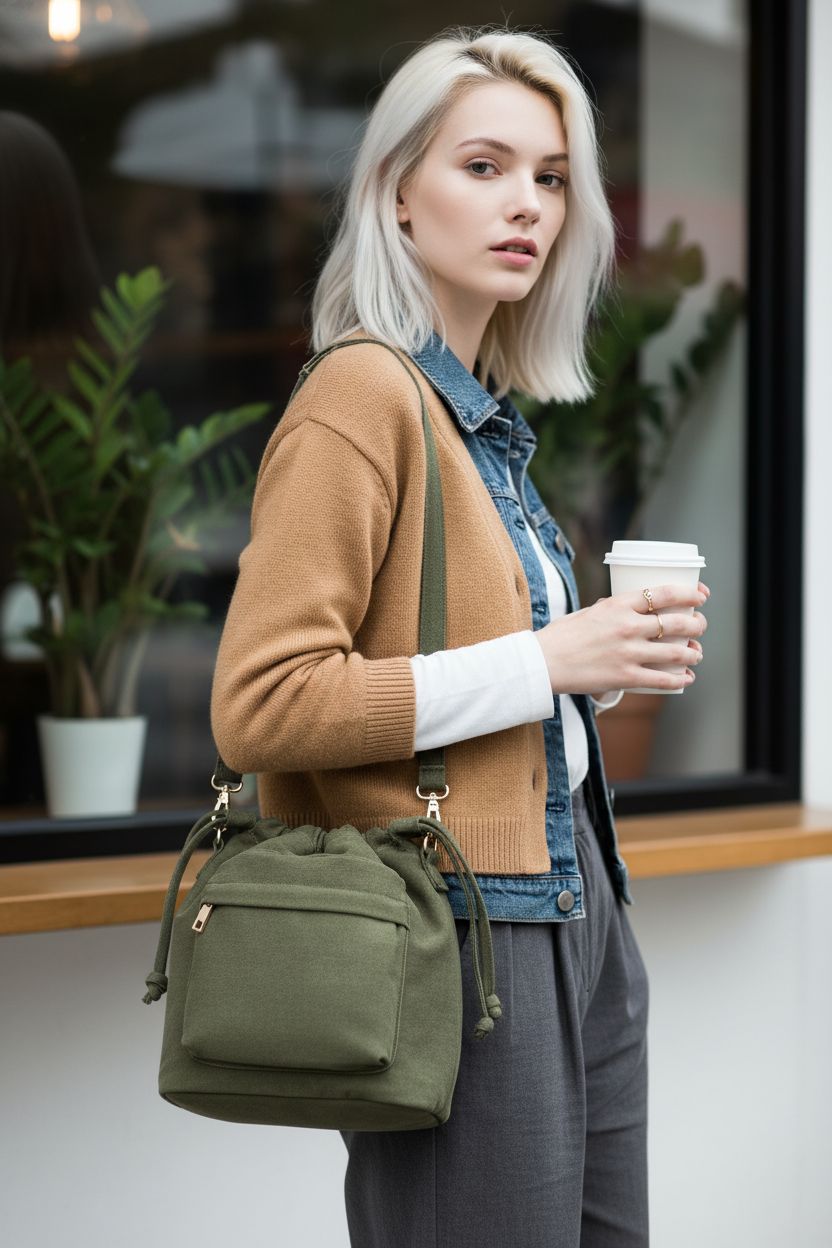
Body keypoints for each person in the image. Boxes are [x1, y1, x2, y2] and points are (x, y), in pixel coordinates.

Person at [210, 23, 710, 1248]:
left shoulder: (478, 424)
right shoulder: (361, 397)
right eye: (482, 167)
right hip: (464, 928)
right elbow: (262, 703)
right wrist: (553, 660)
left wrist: (592, 671)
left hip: (575, 904)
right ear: (394, 197)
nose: (526, 204)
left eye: (549, 177)